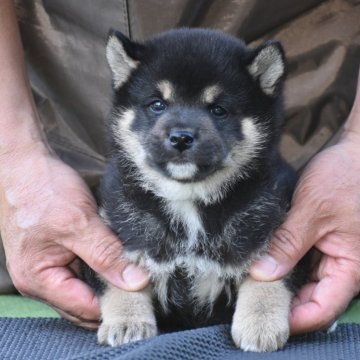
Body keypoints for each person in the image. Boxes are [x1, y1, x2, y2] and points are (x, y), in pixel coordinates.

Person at [0, 0, 359, 334]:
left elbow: (284, 260)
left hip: (320, 89)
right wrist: (14, 159)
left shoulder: (271, 204)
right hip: (59, 91)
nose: (183, 131)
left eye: (218, 110)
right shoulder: (119, 206)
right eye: (157, 105)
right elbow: (109, 269)